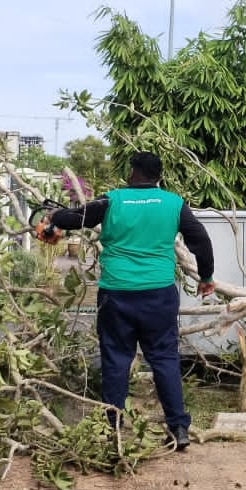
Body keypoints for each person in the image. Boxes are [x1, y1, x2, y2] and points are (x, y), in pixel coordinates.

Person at [37, 151, 215, 451]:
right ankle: (179, 427)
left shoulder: (113, 200)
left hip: (117, 294)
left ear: (134, 172)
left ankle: (114, 427)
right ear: (158, 176)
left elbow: (75, 217)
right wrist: (206, 277)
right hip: (159, 294)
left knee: (116, 359)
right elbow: (201, 240)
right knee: (164, 358)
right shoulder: (174, 203)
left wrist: (53, 216)